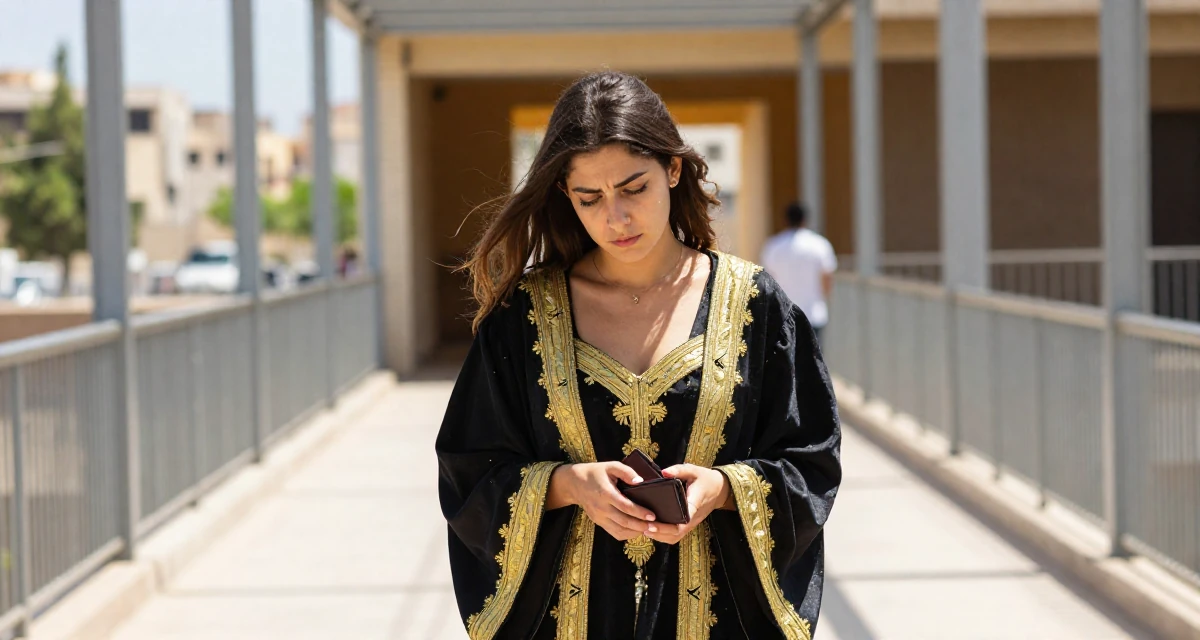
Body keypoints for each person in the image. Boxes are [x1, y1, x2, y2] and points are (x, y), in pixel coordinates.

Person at [436, 71, 841, 640]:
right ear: (564, 195)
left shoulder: (757, 306)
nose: (615, 218)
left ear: (673, 170)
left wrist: (723, 490)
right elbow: (468, 472)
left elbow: (812, 460)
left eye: (633, 188)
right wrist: (569, 485)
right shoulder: (520, 318)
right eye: (589, 198)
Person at [760, 203, 837, 347]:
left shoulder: (773, 246)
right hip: (813, 314)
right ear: (805, 220)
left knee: (787, 366)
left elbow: (767, 280)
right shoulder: (819, 244)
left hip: (783, 316)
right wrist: (825, 298)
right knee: (813, 364)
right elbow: (827, 277)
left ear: (785, 220)